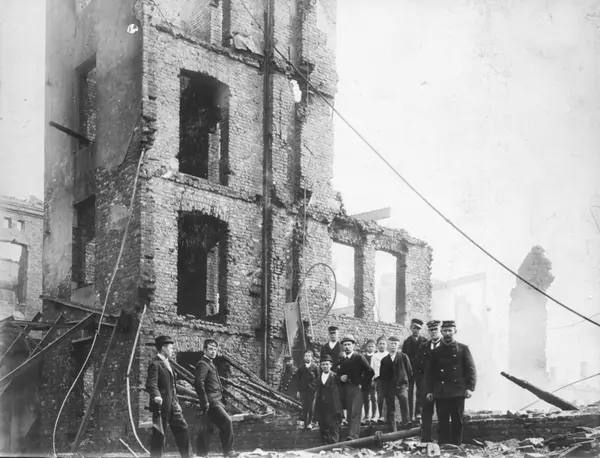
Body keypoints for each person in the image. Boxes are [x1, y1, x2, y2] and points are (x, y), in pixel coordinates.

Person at [425, 320, 476, 446]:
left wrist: (470, 388)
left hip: (457, 391)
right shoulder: (435, 352)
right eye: (445, 331)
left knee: (457, 420)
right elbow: (429, 373)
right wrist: (429, 391)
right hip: (441, 391)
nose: (447, 333)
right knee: (442, 420)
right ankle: (443, 446)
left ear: (455, 331)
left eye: (450, 331)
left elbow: (471, 370)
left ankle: (456, 445)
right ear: (441, 332)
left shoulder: (463, 349)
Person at [145, 335, 191, 458]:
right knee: (159, 434)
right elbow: (151, 384)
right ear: (164, 348)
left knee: (182, 428)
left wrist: (176, 402)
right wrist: (156, 396)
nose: (172, 351)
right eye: (171, 348)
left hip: (172, 404)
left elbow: (172, 386)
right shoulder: (155, 364)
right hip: (161, 405)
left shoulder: (168, 363)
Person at [194, 339, 238, 457]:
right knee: (226, 421)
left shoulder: (210, 363)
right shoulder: (203, 364)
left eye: (215, 349)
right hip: (211, 400)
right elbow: (198, 383)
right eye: (210, 349)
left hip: (217, 399)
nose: (213, 351)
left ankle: (201, 453)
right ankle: (229, 451)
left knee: (207, 426)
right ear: (204, 350)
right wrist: (204, 401)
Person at [337, 334, 374, 440]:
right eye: (345, 345)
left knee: (355, 412)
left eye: (349, 344)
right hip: (346, 389)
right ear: (342, 346)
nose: (347, 347)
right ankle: (350, 435)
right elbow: (338, 374)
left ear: (353, 345)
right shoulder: (342, 360)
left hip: (357, 388)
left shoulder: (359, 357)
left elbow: (370, 372)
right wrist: (341, 378)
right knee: (349, 412)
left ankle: (354, 435)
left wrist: (362, 383)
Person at [414, 320, 442, 442]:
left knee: (442, 413)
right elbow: (418, 367)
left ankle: (442, 440)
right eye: (431, 330)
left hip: (442, 385)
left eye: (436, 329)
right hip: (426, 386)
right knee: (426, 413)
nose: (433, 332)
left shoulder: (446, 346)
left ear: (440, 330)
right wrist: (421, 384)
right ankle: (426, 439)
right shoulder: (424, 347)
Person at [380, 336, 413, 431]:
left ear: (398, 345)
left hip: (401, 384)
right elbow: (383, 375)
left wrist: (405, 382)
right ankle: (392, 429)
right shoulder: (384, 360)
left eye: (395, 344)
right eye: (391, 344)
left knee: (404, 400)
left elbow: (409, 372)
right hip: (389, 386)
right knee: (390, 407)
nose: (393, 346)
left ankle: (406, 422)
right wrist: (386, 387)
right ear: (388, 345)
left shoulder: (403, 357)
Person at [314, 354, 343, 444]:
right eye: (323, 364)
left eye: (327, 364)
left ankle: (333, 447)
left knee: (333, 428)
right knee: (323, 429)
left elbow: (340, 393)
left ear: (331, 365)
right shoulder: (318, 379)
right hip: (322, 408)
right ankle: (325, 447)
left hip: (333, 408)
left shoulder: (335, 377)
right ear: (320, 366)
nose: (325, 366)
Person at [402, 318, 427, 421]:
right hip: (410, 371)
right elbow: (404, 358)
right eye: (414, 328)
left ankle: (418, 413)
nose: (416, 330)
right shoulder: (407, 342)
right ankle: (410, 414)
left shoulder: (425, 341)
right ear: (410, 328)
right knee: (410, 393)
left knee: (420, 392)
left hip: (421, 371)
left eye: (418, 328)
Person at [293, 349, 319, 430]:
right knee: (304, 406)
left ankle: (310, 422)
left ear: (312, 357)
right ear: (304, 357)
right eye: (306, 356)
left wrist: (316, 388)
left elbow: (318, 378)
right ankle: (305, 423)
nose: (307, 357)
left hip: (311, 390)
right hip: (303, 390)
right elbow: (298, 380)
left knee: (311, 407)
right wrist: (298, 390)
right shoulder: (301, 368)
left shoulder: (315, 367)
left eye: (309, 356)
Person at [371, 335, 389, 424]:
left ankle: (387, 416)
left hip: (388, 379)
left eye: (383, 344)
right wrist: (372, 379)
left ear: (386, 345)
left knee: (388, 397)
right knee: (380, 398)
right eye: (380, 344)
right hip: (379, 379)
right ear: (377, 345)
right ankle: (381, 415)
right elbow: (372, 369)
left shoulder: (389, 355)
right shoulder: (374, 356)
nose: (382, 345)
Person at [361, 339, 377, 424]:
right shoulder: (363, 357)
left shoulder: (376, 356)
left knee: (374, 398)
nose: (371, 348)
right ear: (366, 347)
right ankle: (366, 415)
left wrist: (374, 378)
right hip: (365, 380)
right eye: (369, 346)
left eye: (372, 346)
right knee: (365, 398)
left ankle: (374, 415)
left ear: (375, 347)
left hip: (374, 380)